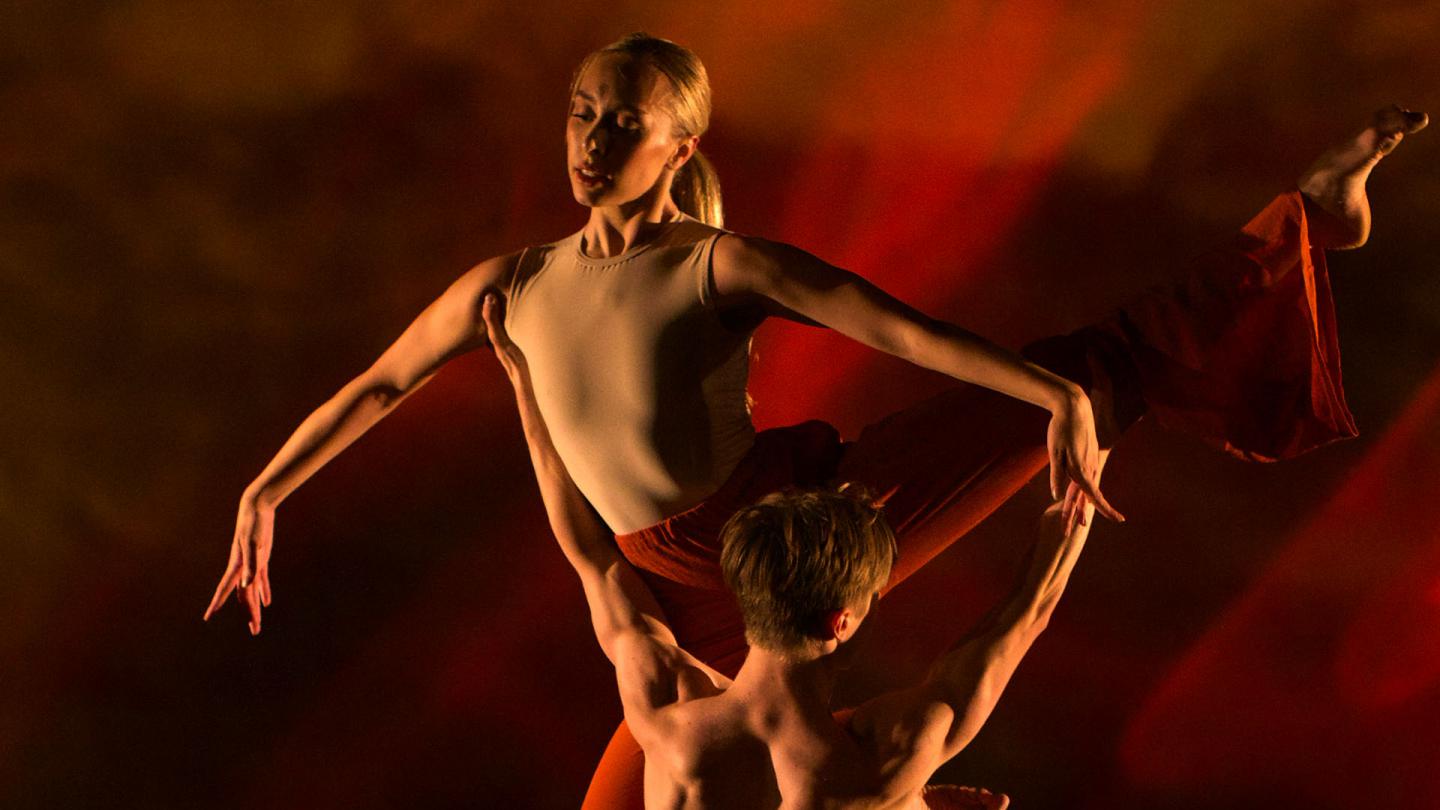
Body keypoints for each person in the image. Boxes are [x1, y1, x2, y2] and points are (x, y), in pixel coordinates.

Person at [202, 31, 1426, 808]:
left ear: (680, 148)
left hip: (792, 528)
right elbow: (376, 383)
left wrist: (1047, 399)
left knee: (1095, 371)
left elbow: (891, 327)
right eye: (583, 111)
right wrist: (267, 492)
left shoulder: (713, 265)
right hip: (663, 578)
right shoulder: (508, 289)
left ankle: (1309, 220)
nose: (594, 138)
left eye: (626, 122)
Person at [482, 286, 1065, 808]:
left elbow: (591, 555)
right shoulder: (875, 769)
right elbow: (1022, 617)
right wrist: (1076, 506)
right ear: (841, 620)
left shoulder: (670, 723)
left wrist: (524, 387)